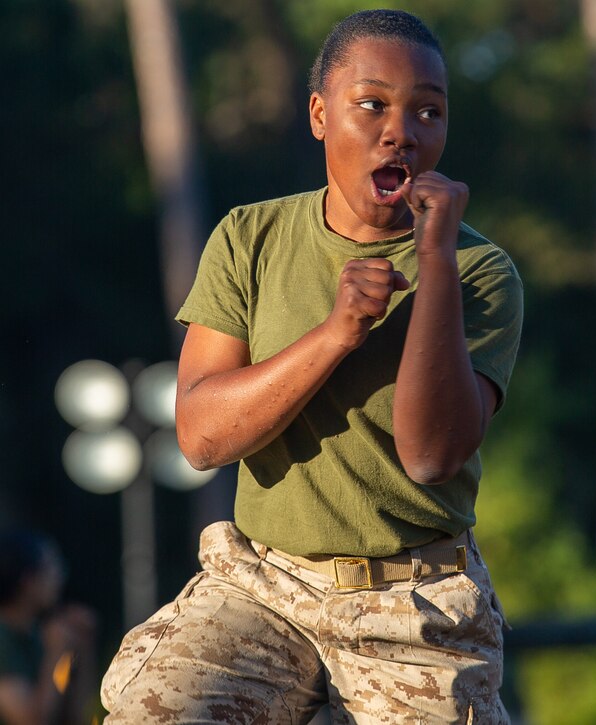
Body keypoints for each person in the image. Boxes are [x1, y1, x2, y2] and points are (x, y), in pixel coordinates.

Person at [99, 9, 522, 723]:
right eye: (373, 104)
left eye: (429, 110)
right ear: (320, 114)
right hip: (264, 583)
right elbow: (201, 437)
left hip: (413, 599)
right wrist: (335, 333)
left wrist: (436, 264)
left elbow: (431, 454)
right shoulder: (249, 237)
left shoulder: (480, 270)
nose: (402, 130)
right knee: (150, 709)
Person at [0, 529, 98, 725]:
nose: (60, 576)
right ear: (27, 580)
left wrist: (84, 645)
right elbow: (31, 721)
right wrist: (56, 652)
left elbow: (82, 716)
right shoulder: (4, 640)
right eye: (51, 567)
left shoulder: (39, 634)